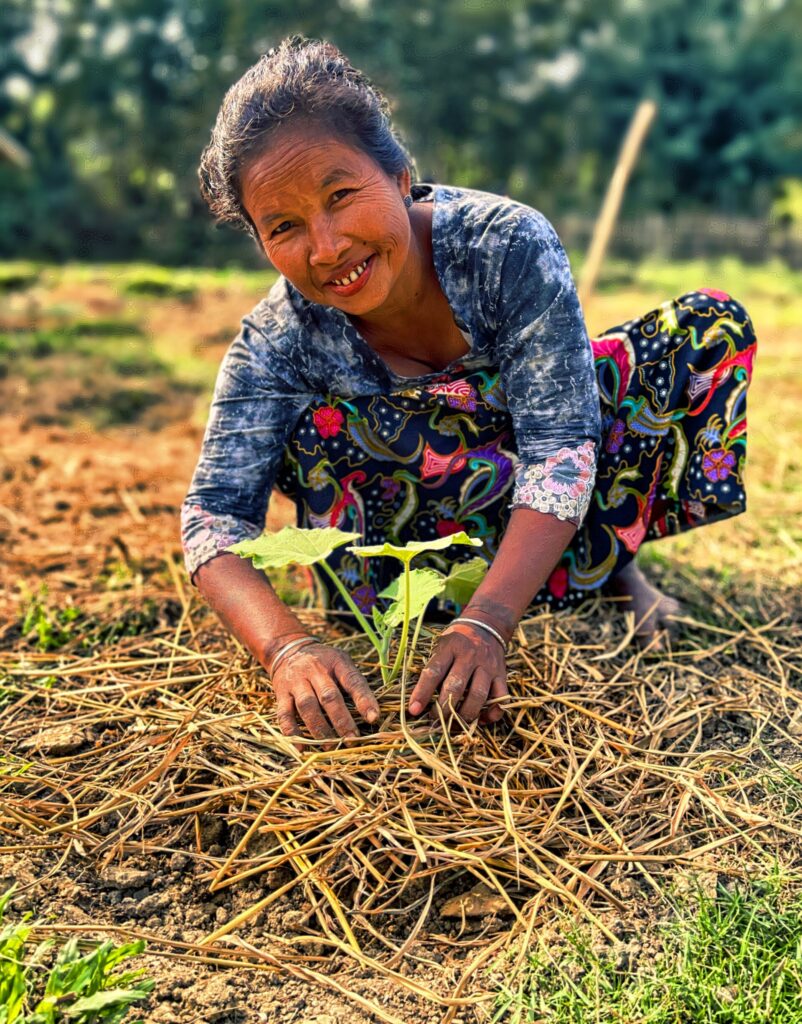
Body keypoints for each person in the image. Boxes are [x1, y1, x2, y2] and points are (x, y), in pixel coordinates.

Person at [181, 36, 756, 742]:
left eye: (341, 195)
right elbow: (211, 517)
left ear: (399, 176)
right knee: (324, 425)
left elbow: (563, 449)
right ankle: (554, 580)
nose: (327, 247)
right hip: (409, 552)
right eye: (285, 226)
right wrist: (286, 647)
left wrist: (488, 620)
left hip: (549, 500)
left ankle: (608, 565)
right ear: (261, 242)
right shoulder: (279, 339)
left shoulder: (505, 246)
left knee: (704, 334)